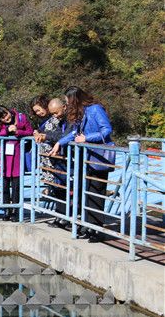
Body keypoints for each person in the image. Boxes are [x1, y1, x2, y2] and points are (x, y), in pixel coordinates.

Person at [51, 87, 114, 243]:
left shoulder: (95, 109)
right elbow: (74, 133)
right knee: (86, 191)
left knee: (96, 192)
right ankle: (87, 225)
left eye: (68, 101)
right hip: (86, 158)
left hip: (98, 158)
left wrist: (87, 138)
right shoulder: (80, 113)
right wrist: (60, 143)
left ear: (75, 99)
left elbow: (106, 130)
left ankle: (97, 228)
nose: (67, 104)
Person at [0, 105, 34, 221]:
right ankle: (6, 210)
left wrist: (17, 131)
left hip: (17, 155)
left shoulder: (21, 117)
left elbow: (30, 131)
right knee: (5, 185)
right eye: (2, 118)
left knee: (16, 186)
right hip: (3, 157)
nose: (6, 118)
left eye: (6, 114)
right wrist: (6, 130)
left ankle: (15, 211)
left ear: (8, 110)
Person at [38, 98, 72, 227]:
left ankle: (67, 217)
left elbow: (64, 136)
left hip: (69, 158)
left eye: (56, 113)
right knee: (58, 188)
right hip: (59, 159)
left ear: (64, 107)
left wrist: (47, 136)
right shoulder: (59, 120)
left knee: (69, 189)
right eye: (52, 113)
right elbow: (55, 134)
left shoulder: (71, 119)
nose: (54, 116)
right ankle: (60, 216)